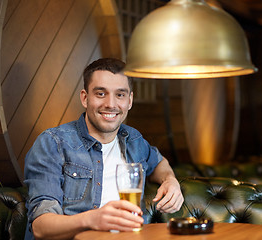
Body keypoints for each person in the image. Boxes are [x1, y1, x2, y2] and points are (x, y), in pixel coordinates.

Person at [24, 58, 184, 240]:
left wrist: (170, 181)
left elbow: (159, 162)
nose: (111, 104)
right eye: (101, 94)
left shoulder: (133, 139)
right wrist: (91, 219)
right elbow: (40, 227)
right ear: (85, 98)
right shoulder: (53, 143)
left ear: (130, 100)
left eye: (120, 95)